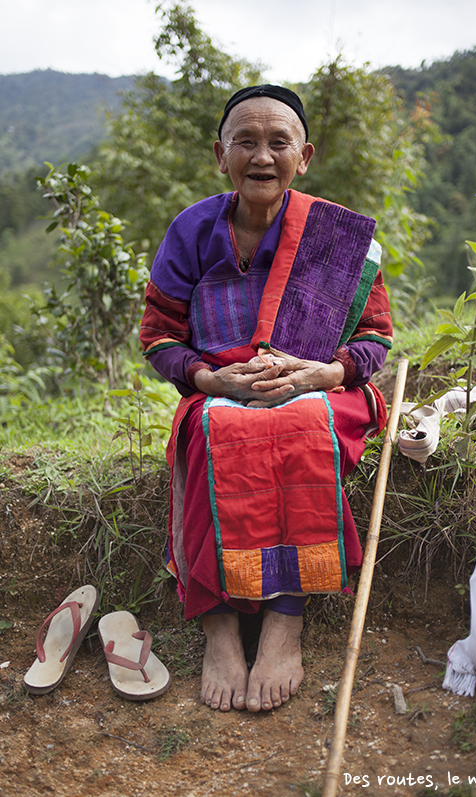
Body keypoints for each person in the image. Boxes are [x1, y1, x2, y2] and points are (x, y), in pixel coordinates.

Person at [140, 84, 392, 713]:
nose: (262, 155)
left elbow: (373, 339)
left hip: (317, 388)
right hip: (220, 391)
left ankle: (286, 616)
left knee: (302, 423)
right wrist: (213, 381)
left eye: (278, 142)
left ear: (302, 156)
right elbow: (160, 335)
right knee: (215, 431)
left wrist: (318, 375)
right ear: (219, 154)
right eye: (244, 141)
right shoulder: (192, 230)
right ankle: (220, 622)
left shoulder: (335, 236)